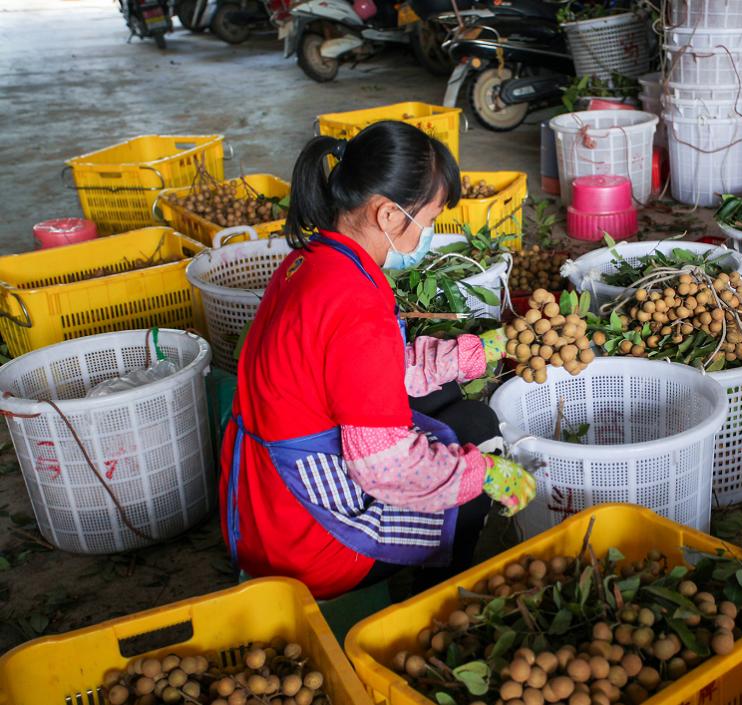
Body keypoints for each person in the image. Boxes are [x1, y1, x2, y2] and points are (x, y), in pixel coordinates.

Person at [219, 121, 534, 600]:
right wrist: (484, 474)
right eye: (427, 220)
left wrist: (476, 353)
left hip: (257, 493)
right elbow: (385, 469)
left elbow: (365, 370)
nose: (428, 233)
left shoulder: (314, 258)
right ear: (388, 214)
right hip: (303, 536)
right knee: (469, 492)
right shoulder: (356, 305)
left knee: (463, 410)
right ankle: (433, 608)